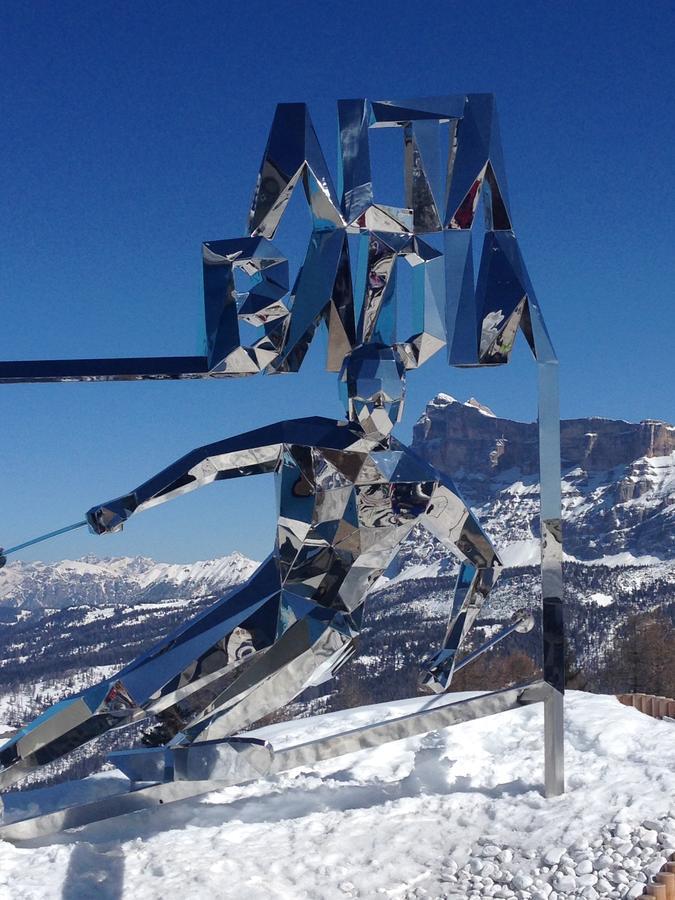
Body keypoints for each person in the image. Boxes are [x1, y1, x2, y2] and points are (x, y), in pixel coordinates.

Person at [0, 343, 501, 790]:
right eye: (368, 391)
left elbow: (483, 562)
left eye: (383, 393)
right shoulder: (332, 449)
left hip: (328, 624)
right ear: (350, 391)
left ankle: (170, 748)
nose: (375, 404)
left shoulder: (409, 477)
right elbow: (211, 461)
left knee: (207, 712)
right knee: (133, 692)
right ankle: (14, 763)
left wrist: (450, 651)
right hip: (281, 603)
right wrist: (132, 502)